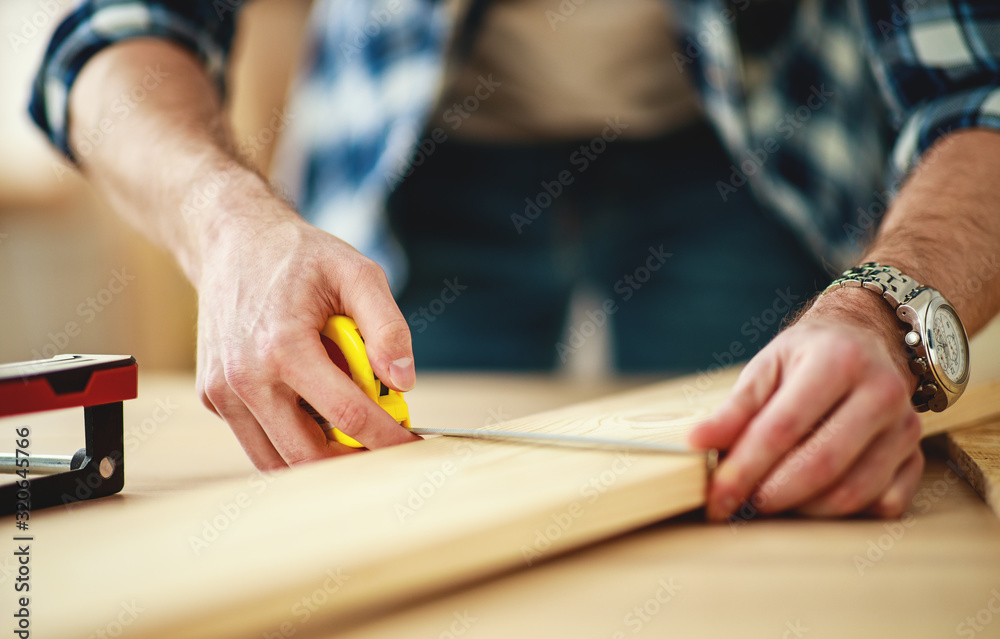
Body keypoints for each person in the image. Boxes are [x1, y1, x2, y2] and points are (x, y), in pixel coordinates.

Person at [29, 0, 1000, 521]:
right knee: (379, 509)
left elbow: (981, 91)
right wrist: (227, 222)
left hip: (740, 158)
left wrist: (879, 315)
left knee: (762, 480)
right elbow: (111, 37)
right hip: (423, 162)